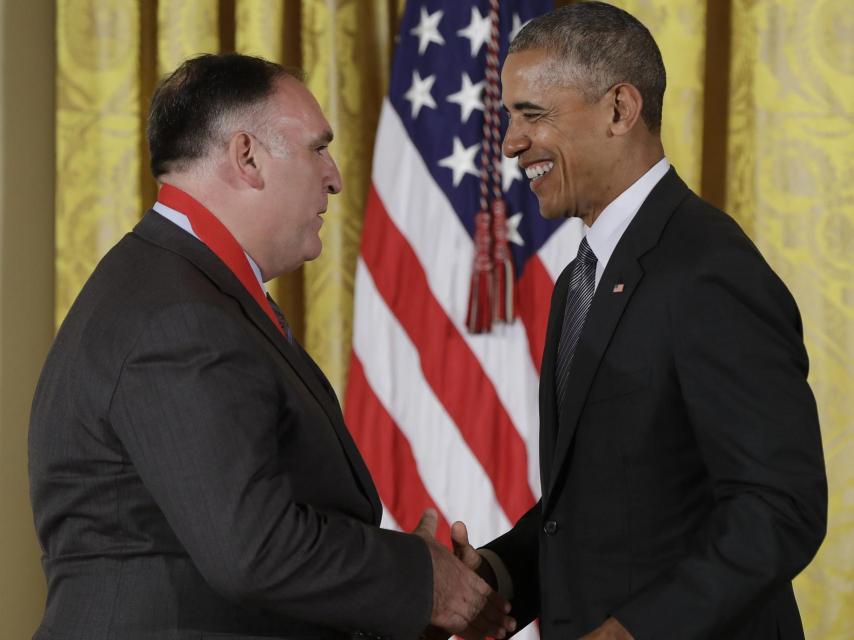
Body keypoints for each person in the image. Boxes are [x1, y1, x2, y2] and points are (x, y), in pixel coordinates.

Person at [28, 53, 515, 640]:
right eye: (317, 148)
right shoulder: (178, 316)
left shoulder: (181, 287)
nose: (335, 175)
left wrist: (415, 592)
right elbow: (254, 549)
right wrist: (421, 581)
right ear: (247, 157)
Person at [450, 3, 828, 639]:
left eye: (532, 115)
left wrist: (638, 631)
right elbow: (602, 499)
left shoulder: (707, 268)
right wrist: (493, 575)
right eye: (509, 118)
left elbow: (779, 507)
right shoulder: (582, 276)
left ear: (620, 110)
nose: (510, 143)